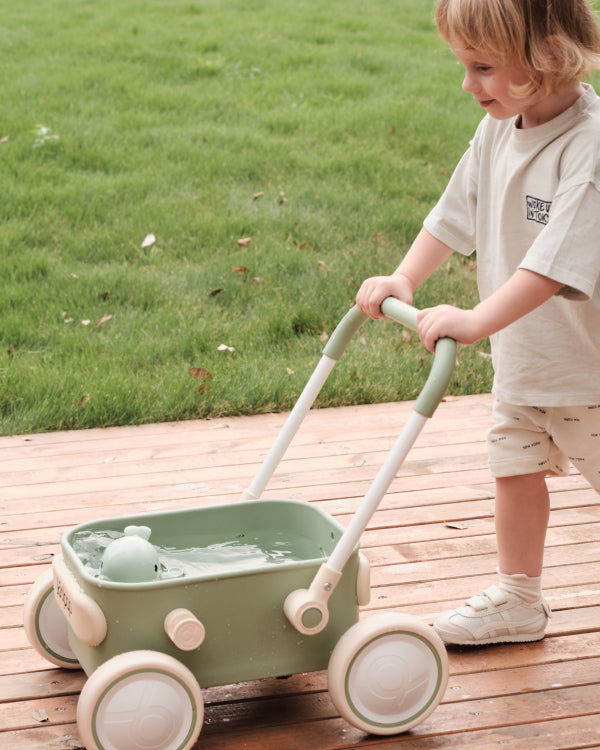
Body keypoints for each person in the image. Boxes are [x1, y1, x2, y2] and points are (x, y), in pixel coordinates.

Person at [356, 0, 600, 646]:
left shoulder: (589, 147)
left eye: (483, 67)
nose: (468, 85)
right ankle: (520, 596)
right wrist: (406, 278)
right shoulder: (500, 129)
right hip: (525, 361)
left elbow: (550, 268)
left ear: (549, 54)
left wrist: (474, 321)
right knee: (514, 470)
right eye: (465, 66)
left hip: (588, 371)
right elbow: (453, 211)